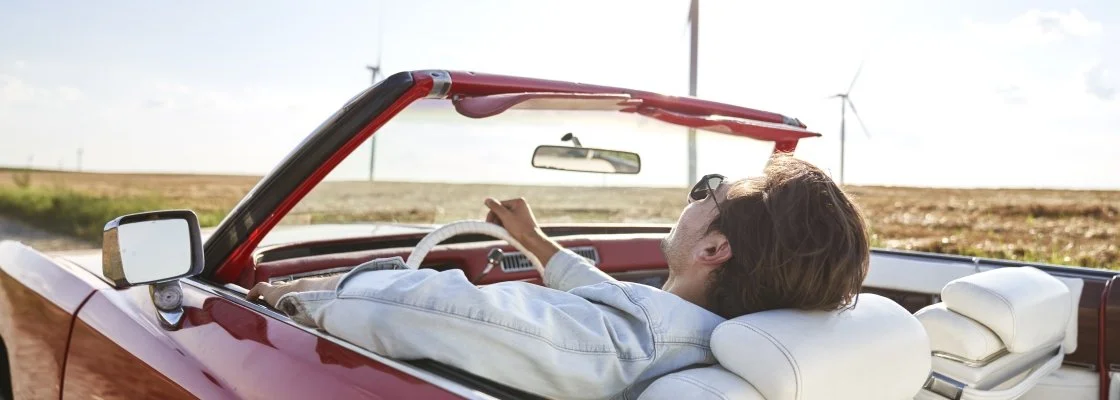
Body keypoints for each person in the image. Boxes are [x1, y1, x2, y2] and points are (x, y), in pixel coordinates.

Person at [247, 154, 870, 400]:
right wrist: (537, 244)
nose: (696, 194)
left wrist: (297, 293)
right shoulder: (712, 329)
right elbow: (613, 306)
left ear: (714, 247)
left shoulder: (623, 342)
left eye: (710, 190)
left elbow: (415, 307)